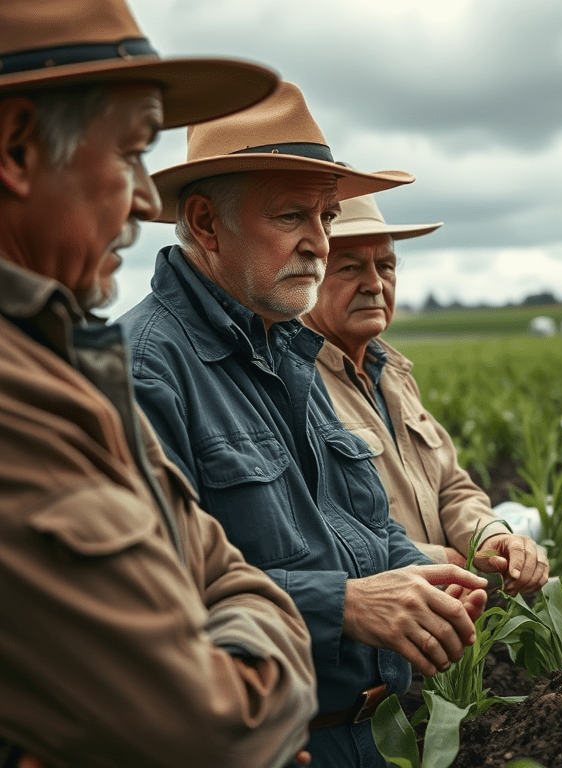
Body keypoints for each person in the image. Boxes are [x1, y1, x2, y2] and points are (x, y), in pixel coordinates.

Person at [118, 82, 489, 768]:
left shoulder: (285, 348)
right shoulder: (145, 372)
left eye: (325, 216)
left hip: (373, 733)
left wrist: (419, 577)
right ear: (205, 223)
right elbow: (146, 595)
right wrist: (344, 605)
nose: (318, 243)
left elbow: (360, 525)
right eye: (293, 216)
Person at [0, 1, 320, 767]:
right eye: (131, 152)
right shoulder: (56, 387)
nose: (147, 200)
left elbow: (218, 565)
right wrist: (269, 676)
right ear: (15, 149)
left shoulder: (66, 363)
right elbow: (209, 731)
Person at [303, 193, 549, 594]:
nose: (374, 284)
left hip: (439, 620)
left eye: (385, 265)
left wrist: (488, 539)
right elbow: (325, 529)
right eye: (349, 267)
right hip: (379, 628)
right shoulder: (296, 386)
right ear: (309, 274)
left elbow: (451, 486)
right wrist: (444, 562)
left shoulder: (393, 375)